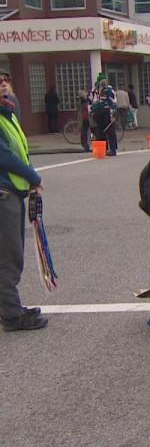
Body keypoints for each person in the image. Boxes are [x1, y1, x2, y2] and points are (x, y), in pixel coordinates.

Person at [0, 72, 48, 332]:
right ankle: (11, 314)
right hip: (3, 192)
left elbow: (20, 150)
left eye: (6, 79)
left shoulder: (8, 114)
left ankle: (10, 307)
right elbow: (5, 157)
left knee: (11, 253)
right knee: (8, 255)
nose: (4, 83)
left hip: (12, 192)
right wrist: (32, 176)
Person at [89, 75, 118, 156]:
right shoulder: (94, 90)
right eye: (102, 82)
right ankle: (103, 148)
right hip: (97, 113)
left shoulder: (109, 90)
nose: (104, 83)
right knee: (100, 131)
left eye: (105, 81)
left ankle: (113, 149)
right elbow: (90, 100)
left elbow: (113, 103)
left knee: (110, 131)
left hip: (107, 112)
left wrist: (113, 115)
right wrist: (91, 110)